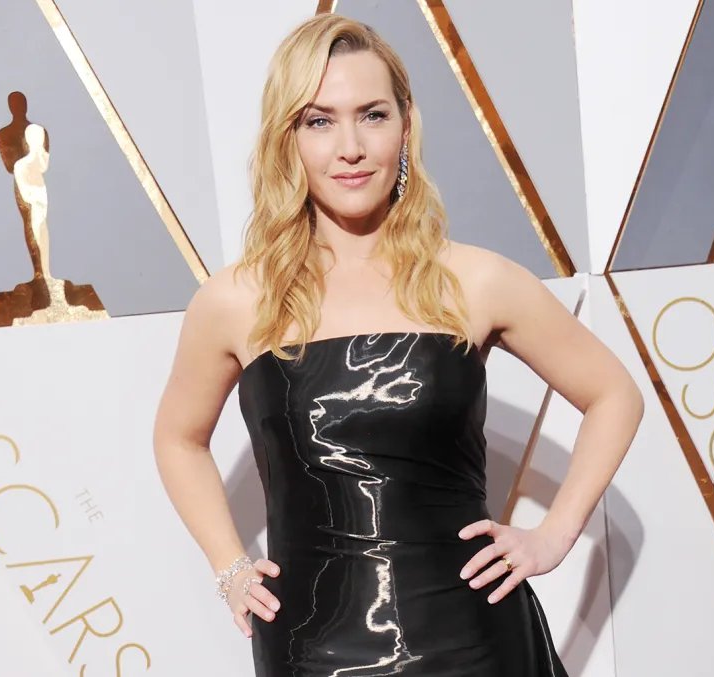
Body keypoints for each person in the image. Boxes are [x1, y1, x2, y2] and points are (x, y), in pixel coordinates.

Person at [153, 14, 644, 676]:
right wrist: (230, 565)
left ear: (406, 125)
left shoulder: (476, 281)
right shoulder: (235, 300)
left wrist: (553, 535)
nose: (350, 147)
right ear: (286, 137)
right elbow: (178, 438)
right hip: (310, 649)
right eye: (319, 121)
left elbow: (615, 394)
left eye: (373, 115)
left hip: (473, 641)